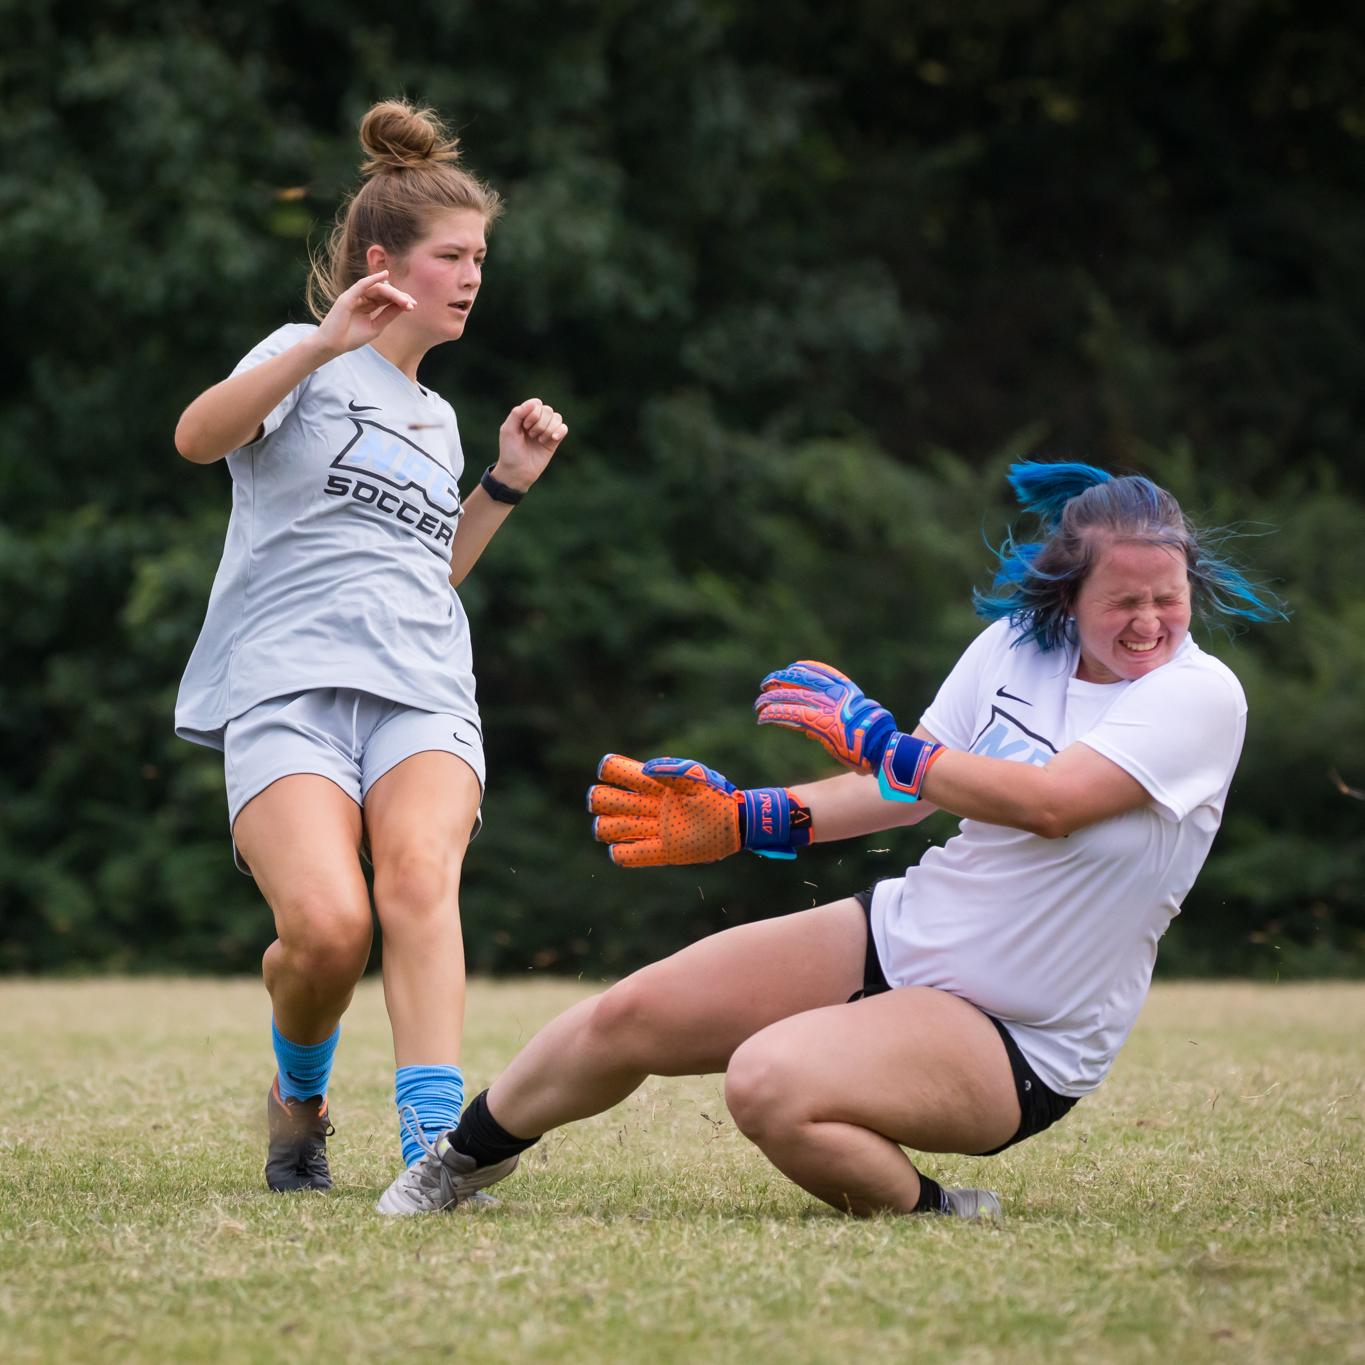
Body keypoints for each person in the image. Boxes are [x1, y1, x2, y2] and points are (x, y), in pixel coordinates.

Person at [402, 461, 1285, 1218]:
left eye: (1167, 598)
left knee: (767, 1081)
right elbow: (906, 792)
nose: (1148, 622)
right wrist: (752, 816)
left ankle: (935, 1208)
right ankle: (461, 1158)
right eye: (1122, 600)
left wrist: (886, 743)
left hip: (1020, 1032)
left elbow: (1050, 803)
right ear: (1067, 597)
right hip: (903, 928)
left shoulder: (1199, 695)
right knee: (633, 1013)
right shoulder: (1015, 646)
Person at [172, 99, 567, 1214]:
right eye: (454, 256)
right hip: (286, 684)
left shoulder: (439, 419)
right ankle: (299, 1098)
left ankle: (438, 1149)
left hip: (424, 687)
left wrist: (501, 486)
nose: (474, 276)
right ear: (383, 262)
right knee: (328, 932)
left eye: (481, 257)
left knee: (416, 882)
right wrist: (320, 345)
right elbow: (197, 440)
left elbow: (426, 574)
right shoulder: (299, 359)